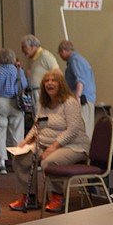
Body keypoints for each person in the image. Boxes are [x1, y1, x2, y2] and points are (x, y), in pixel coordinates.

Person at [9, 69, 89, 213]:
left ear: (61, 84)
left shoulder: (69, 102)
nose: (49, 83)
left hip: (74, 146)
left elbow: (73, 130)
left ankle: (57, 197)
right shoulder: (44, 103)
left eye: (53, 80)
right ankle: (29, 197)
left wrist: (53, 147)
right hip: (45, 144)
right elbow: (36, 126)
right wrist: (25, 141)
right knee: (21, 158)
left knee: (49, 162)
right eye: (47, 81)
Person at [58, 40, 97, 137]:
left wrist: (77, 97)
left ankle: (84, 151)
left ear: (62, 51)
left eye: (59, 53)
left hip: (83, 100)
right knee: (84, 128)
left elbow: (81, 80)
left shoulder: (75, 60)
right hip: (86, 98)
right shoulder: (78, 59)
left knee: (83, 129)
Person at [20, 34, 60, 112]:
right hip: (35, 94)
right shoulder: (34, 59)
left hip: (42, 93)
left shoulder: (45, 56)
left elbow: (58, 73)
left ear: (32, 46)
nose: (22, 51)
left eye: (24, 48)